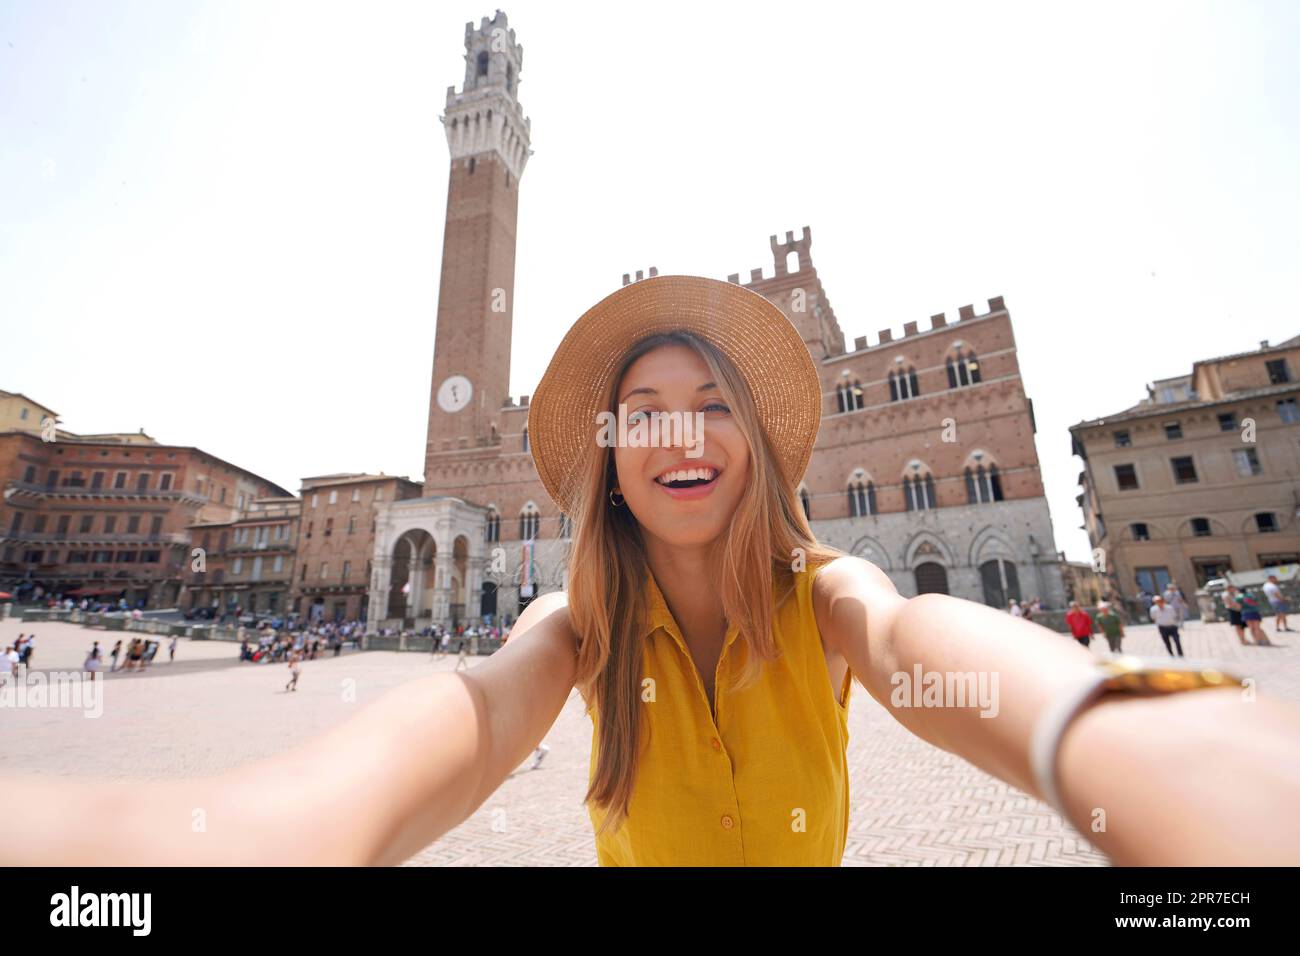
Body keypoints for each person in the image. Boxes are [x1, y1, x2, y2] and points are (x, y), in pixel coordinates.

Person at [3, 275, 1300, 868]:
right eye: (646, 408)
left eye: (711, 402)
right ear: (610, 453)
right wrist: (219, 835)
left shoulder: (827, 597)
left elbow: (925, 649)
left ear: (761, 440)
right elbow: (446, 738)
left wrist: (1114, 736)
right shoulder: (571, 631)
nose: (679, 432)